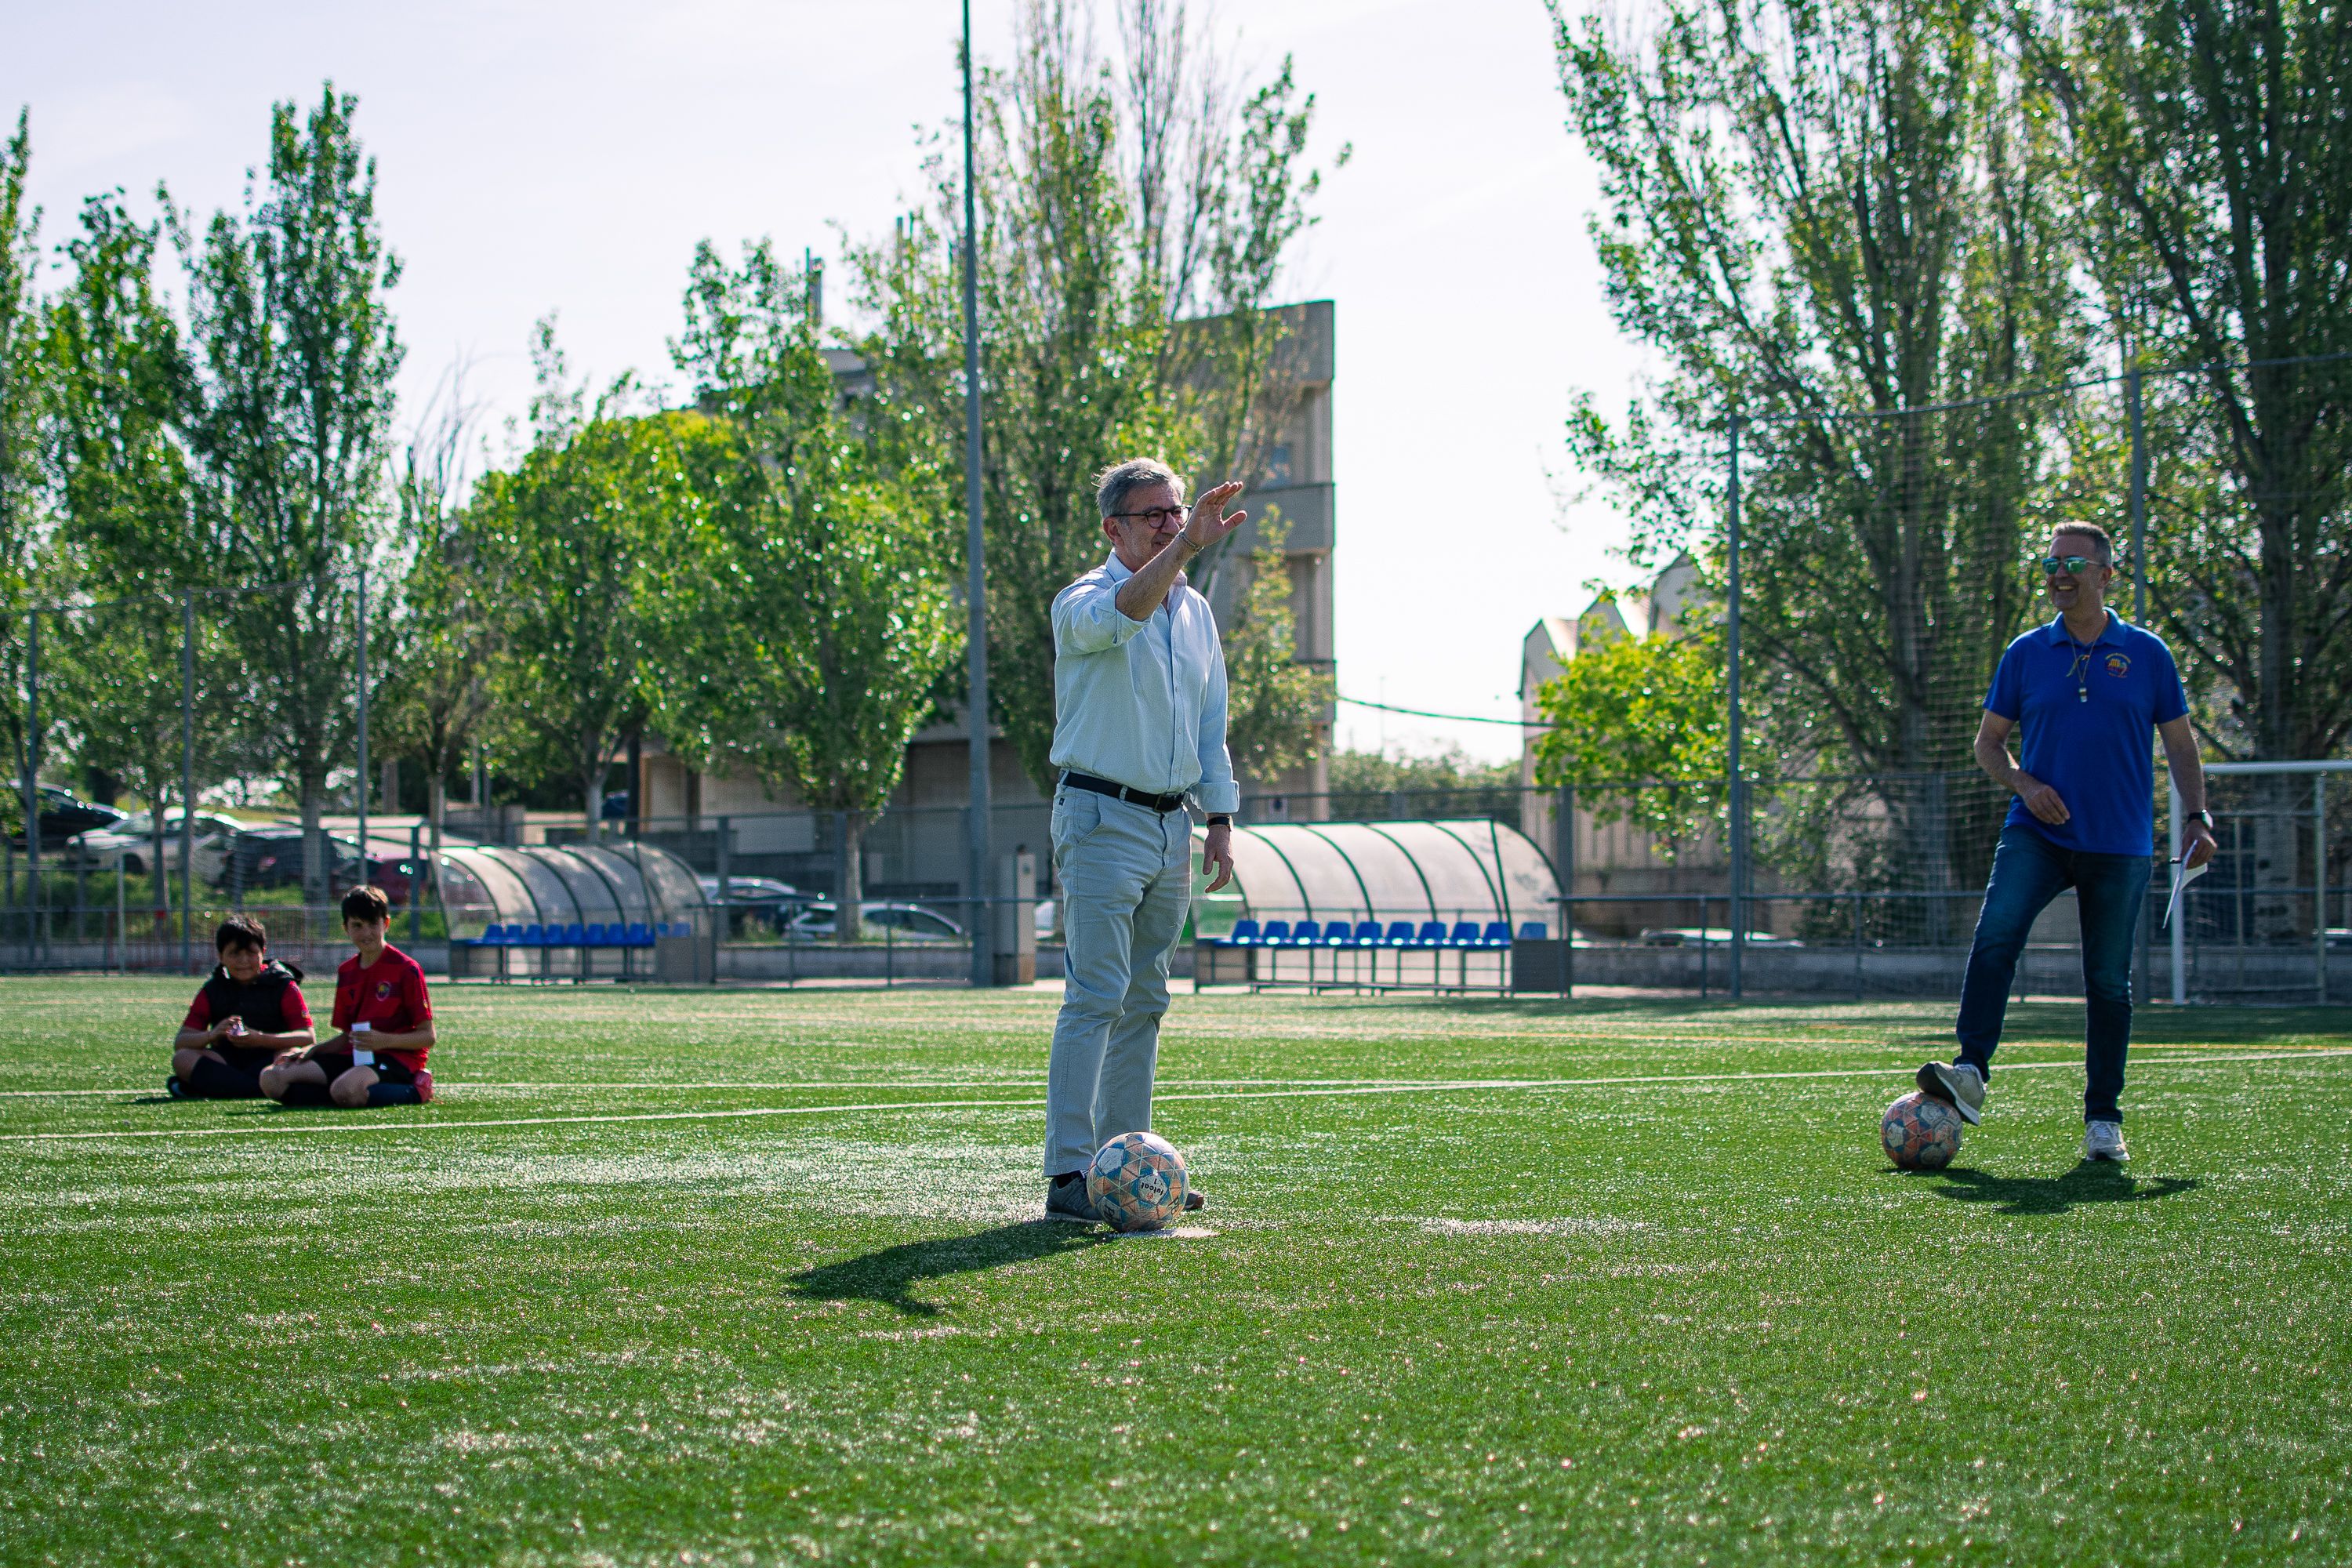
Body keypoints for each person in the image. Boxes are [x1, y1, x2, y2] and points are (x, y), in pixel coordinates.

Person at [1917, 524, 2216, 1162]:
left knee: (2108, 983)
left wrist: (2198, 818)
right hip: (2037, 832)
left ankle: (2103, 1121)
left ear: (2106, 574)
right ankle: (1970, 1069)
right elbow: (1987, 744)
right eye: (2050, 562)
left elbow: (2182, 746)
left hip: (2121, 841)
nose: (2058, 573)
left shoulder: (2148, 653)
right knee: (1996, 933)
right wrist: (2025, 785)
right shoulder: (2026, 652)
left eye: (2072, 562)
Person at [1040, 457, 1244, 1224]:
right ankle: (1070, 1171)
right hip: (1100, 814)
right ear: (1112, 527)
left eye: (1175, 510)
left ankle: (1131, 1164)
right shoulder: (1083, 599)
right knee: (1096, 995)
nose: (1170, 520)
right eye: (1153, 513)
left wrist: (1218, 819)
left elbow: (1209, 722)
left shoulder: (1195, 614)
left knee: (1147, 998)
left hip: (1171, 823)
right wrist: (1185, 546)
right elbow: (1125, 611)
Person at [260, 884, 437, 1108]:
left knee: (347, 1090)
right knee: (272, 1078)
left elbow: (428, 1036)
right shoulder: (347, 971)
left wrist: (385, 1040)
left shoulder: (406, 969)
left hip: (397, 1059)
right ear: (346, 928)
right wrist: (313, 1051)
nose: (366, 933)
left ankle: (416, 1091)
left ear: (386, 923)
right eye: (358, 925)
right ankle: (339, 1093)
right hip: (356, 1057)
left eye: (373, 924)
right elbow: (348, 1037)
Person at [167, 916, 315, 1098]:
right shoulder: (213, 989)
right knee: (182, 1058)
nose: (243, 960)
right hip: (226, 1062)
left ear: (263, 952)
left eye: (251, 953)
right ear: (221, 956)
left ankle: (215, 1087)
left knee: (295, 1055)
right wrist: (212, 1035)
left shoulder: (283, 985)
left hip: (271, 1057)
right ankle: (259, 1088)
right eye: (235, 953)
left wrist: (260, 1038)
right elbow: (181, 1041)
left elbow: (308, 1036)